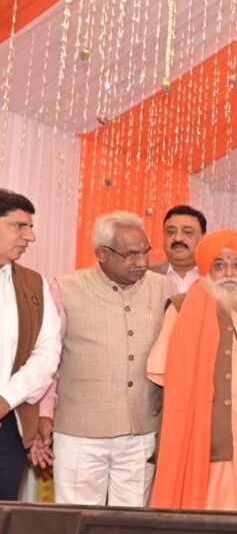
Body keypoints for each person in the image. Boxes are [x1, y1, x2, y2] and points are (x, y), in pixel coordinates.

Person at [42, 211, 172, 505]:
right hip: (79, 431)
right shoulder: (65, 288)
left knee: (131, 521)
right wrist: (45, 412)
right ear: (102, 254)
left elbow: (173, 350)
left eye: (145, 252)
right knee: (78, 519)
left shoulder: (164, 288)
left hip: (141, 430)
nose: (142, 262)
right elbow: (49, 357)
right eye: (130, 255)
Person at [148, 230, 237, 512]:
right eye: (219, 265)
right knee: (214, 499)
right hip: (211, 424)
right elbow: (165, 371)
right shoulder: (182, 307)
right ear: (207, 270)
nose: (229, 272)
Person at [0, 189, 61, 499]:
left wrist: (6, 400)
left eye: (30, 227)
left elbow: (47, 353)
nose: (30, 237)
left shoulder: (34, 284)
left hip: (9, 425)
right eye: (19, 226)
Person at [149, 205, 207, 294]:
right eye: (170, 232)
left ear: (203, 238)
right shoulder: (145, 276)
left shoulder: (217, 277)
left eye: (187, 232)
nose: (178, 238)